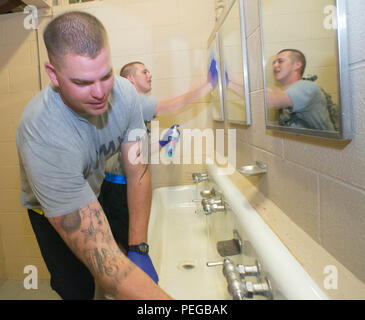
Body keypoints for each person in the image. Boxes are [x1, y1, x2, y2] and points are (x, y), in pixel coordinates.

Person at [16, 11, 172, 300]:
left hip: (93, 189)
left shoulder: (124, 93)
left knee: (106, 280)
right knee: (79, 288)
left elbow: (137, 170)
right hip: (49, 210)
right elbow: (108, 265)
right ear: (54, 75)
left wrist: (139, 247)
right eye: (83, 83)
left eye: (105, 76)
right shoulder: (43, 133)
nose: (100, 92)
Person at [98, 61, 215, 284]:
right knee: (125, 247)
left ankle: (129, 285)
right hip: (119, 187)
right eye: (144, 71)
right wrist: (209, 85)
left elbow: (133, 150)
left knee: (123, 245)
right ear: (130, 79)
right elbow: (173, 106)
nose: (150, 75)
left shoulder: (131, 108)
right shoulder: (132, 98)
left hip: (119, 185)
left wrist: (162, 142)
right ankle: (130, 289)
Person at [266, 49, 335, 131]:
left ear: (297, 65)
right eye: (274, 62)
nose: (275, 65)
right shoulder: (286, 92)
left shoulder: (307, 87)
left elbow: (274, 99)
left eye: (280, 61)